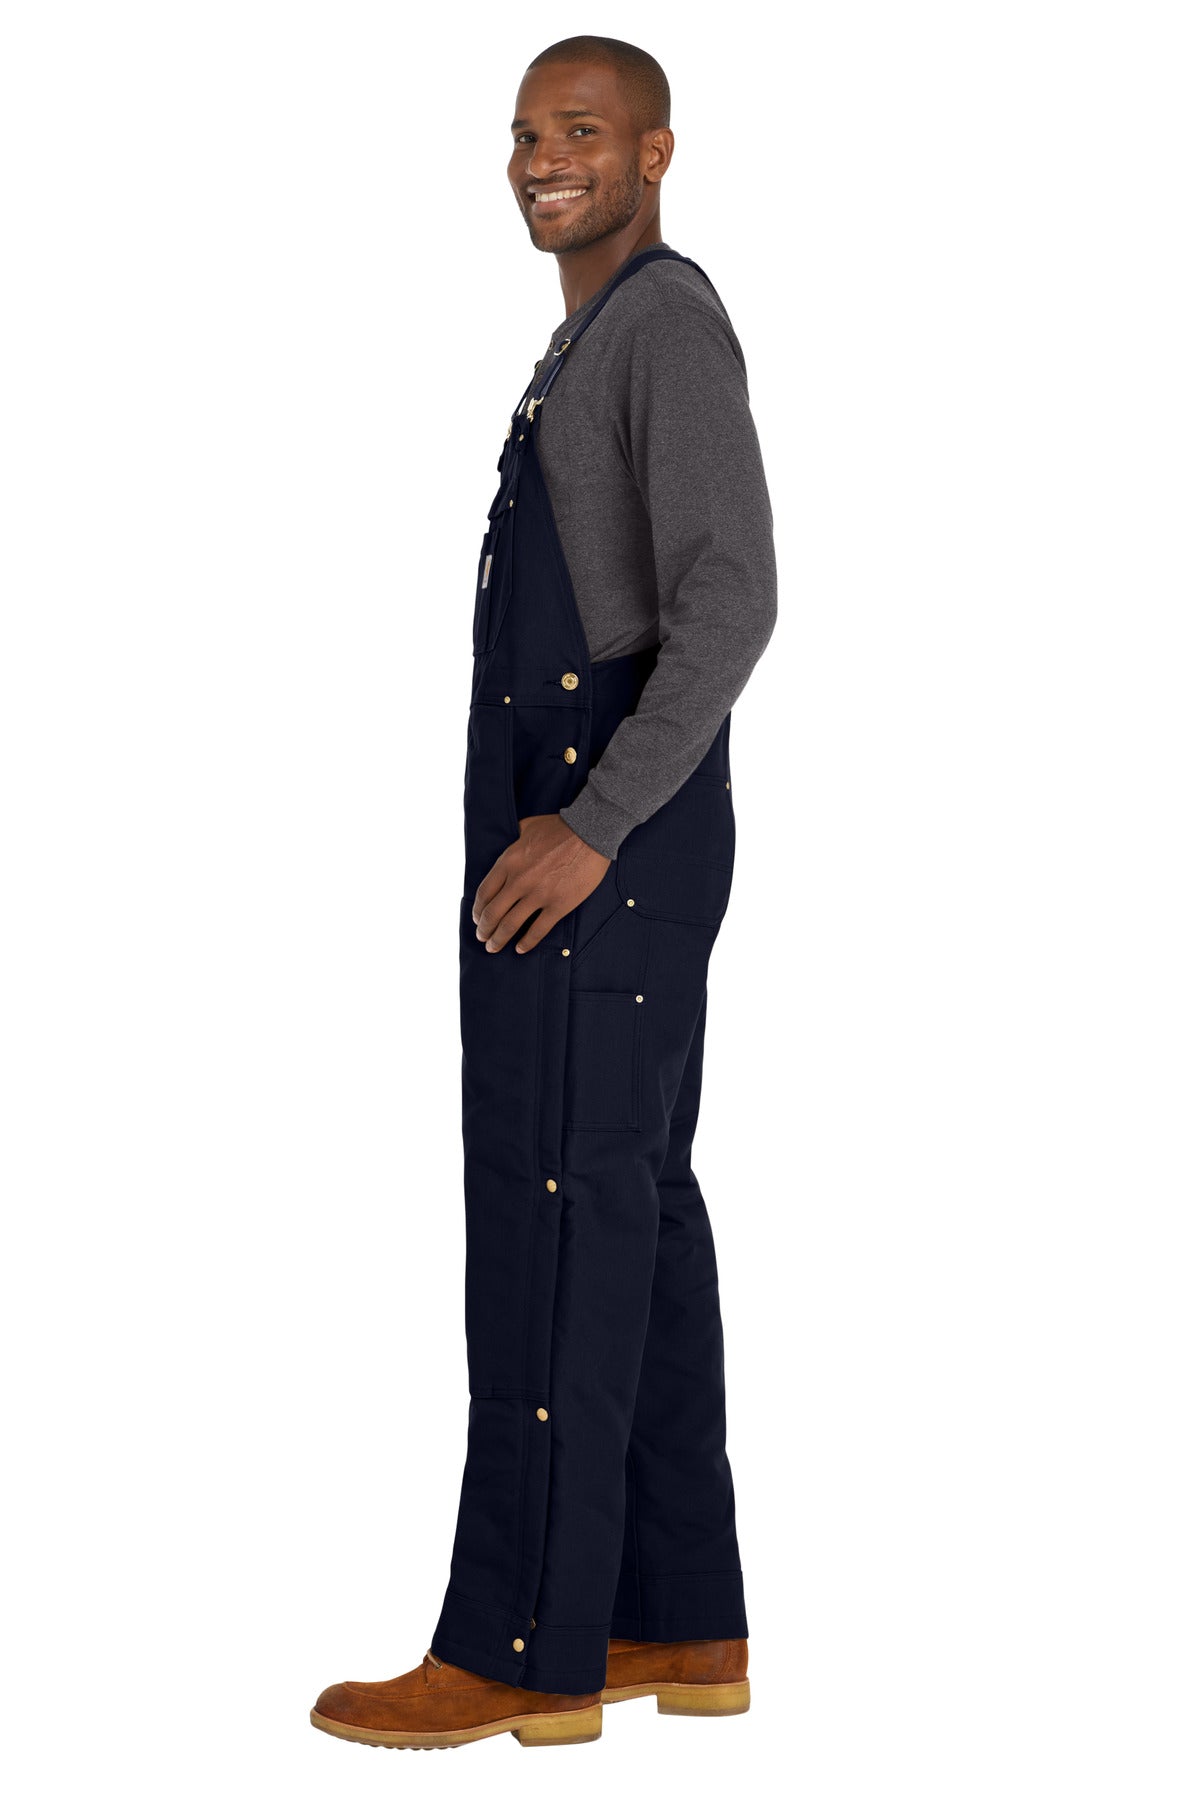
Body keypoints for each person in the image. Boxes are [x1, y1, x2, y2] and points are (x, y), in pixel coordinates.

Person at [311, 34, 777, 1753]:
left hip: (605, 845)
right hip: (604, 845)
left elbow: (732, 603)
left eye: (580, 129)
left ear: (657, 152)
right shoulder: (586, 343)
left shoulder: (661, 326)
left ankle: (524, 1645)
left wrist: (592, 825)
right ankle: (677, 1619)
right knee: (631, 1207)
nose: (540, 158)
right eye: (523, 131)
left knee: (557, 1206)